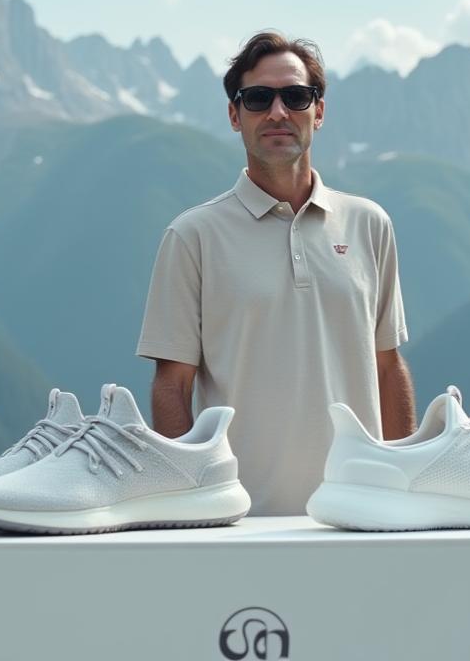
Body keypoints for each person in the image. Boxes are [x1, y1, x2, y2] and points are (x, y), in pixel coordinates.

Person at [136, 31, 415, 515]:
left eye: (296, 97)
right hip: (242, 524)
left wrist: (406, 497)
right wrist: (192, 507)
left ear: (318, 112)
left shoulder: (370, 225)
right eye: (258, 98)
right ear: (234, 115)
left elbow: (387, 367)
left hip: (362, 518)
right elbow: (172, 386)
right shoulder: (192, 236)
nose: (278, 112)